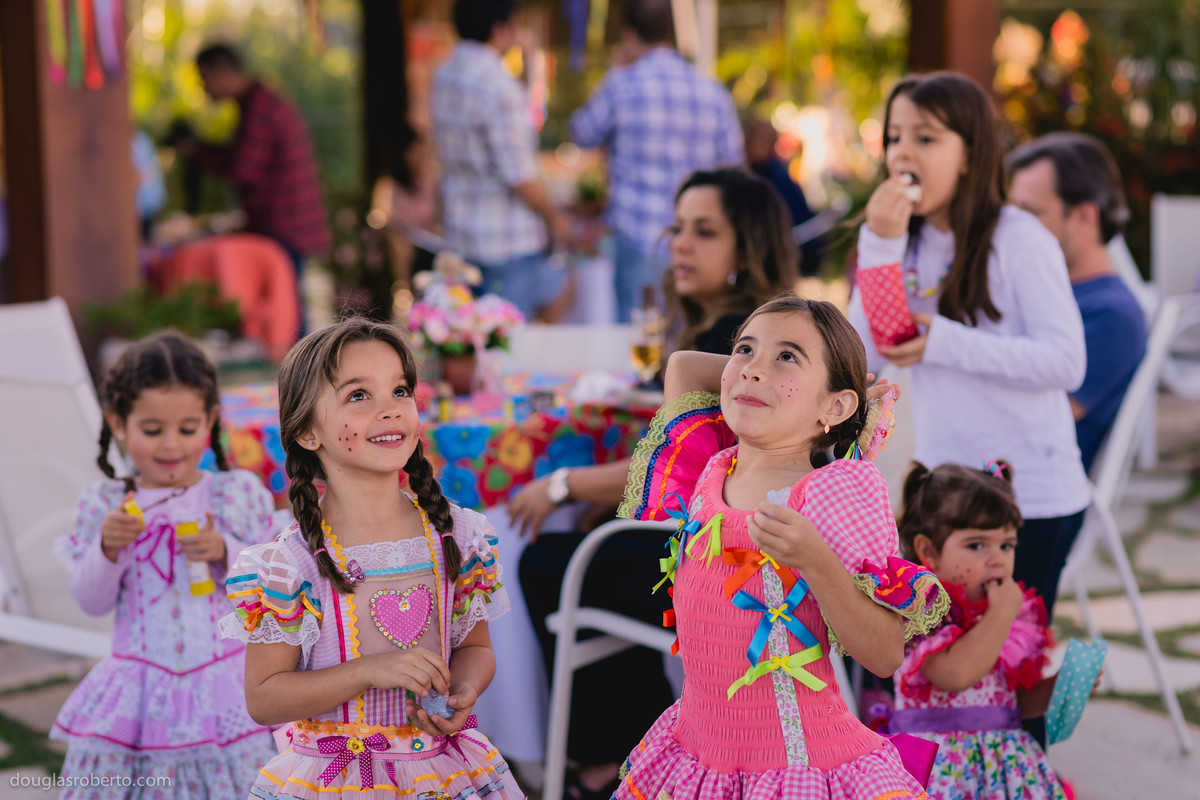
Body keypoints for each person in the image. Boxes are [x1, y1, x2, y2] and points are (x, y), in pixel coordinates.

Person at [513, 168, 799, 797]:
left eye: (704, 232)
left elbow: (673, 471)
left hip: (726, 561)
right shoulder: (771, 335)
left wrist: (563, 486)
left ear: (745, 248)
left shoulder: (737, 343)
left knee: (544, 559)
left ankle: (595, 756)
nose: (680, 244)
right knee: (594, 545)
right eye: (677, 229)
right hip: (745, 549)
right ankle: (622, 740)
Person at [614, 295, 949, 800]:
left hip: (795, 769)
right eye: (744, 350)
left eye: (788, 357)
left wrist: (815, 560)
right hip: (697, 755)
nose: (751, 370)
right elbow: (684, 365)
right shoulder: (711, 464)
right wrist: (774, 372)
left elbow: (882, 654)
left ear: (835, 407)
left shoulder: (835, 491)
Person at [219, 318, 522, 800]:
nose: (390, 409)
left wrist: (463, 689)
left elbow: (476, 649)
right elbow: (264, 696)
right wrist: (368, 671)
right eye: (359, 396)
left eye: (400, 390)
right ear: (306, 432)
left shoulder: (456, 536)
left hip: (442, 772)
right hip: (337, 781)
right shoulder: (290, 565)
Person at [847, 72, 1090, 622]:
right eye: (894, 137)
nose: (903, 152)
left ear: (969, 153)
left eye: (926, 138)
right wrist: (880, 243)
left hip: (1027, 499)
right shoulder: (898, 241)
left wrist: (945, 342)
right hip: (943, 497)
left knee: (1004, 669)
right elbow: (864, 355)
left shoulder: (1018, 238)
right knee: (942, 667)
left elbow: (1066, 361)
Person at [51, 332, 277, 799]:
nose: (171, 446)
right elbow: (90, 603)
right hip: (138, 689)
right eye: (152, 430)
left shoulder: (233, 495)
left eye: (188, 428)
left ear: (211, 420)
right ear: (118, 421)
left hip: (227, 685)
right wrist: (108, 550)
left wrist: (224, 549)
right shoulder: (105, 503)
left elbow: (270, 594)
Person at [892, 461, 1068, 800]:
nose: (997, 559)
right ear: (929, 551)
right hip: (940, 768)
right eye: (976, 545)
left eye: (1007, 545)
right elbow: (955, 674)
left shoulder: (1007, 622)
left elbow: (1015, 704)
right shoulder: (921, 614)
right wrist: (1001, 615)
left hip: (1004, 769)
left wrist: (1060, 687)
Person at [568, 0, 745, 322]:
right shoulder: (711, 90)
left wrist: (614, 70)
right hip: (698, 239)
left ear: (630, 36)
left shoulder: (622, 84)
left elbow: (582, 132)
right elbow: (733, 168)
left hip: (638, 235)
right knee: (692, 334)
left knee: (637, 335)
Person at [1007, 132, 1147, 473]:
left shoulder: (1112, 314)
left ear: (1085, 217)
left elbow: (1028, 420)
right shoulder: (1048, 294)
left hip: (1028, 492)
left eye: (1030, 213)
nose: (1012, 229)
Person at [432, 0, 572, 322]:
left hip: (460, 231)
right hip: (506, 239)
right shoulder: (496, 83)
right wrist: (555, 217)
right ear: (499, 28)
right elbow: (519, 174)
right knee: (506, 347)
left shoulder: (445, 73)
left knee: (469, 340)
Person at [180, 44, 331, 284]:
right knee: (287, 304)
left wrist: (198, 152)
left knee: (286, 308)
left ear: (221, 74)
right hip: (284, 223)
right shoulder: (257, 102)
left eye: (203, 79)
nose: (203, 89)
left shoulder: (259, 108)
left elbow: (243, 168)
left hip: (284, 225)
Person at [744, 116, 820, 274]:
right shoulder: (750, 173)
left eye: (763, 140)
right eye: (755, 139)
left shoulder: (776, 175)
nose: (756, 145)